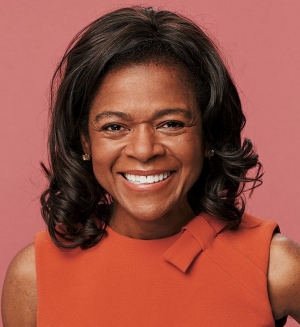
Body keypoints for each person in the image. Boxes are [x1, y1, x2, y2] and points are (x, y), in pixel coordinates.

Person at [2, 6, 300, 327]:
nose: (144, 151)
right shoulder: (33, 278)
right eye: (115, 127)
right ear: (85, 142)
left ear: (208, 133)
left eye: (171, 123)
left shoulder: (276, 268)